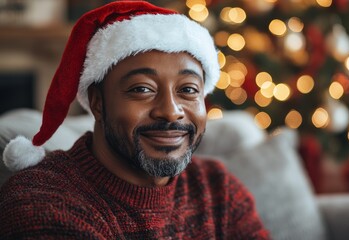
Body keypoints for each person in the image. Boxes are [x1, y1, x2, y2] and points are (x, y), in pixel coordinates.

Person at [0, 1, 270, 239]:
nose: (171, 111)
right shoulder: (44, 203)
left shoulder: (218, 188)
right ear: (97, 101)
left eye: (188, 89)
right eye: (142, 89)